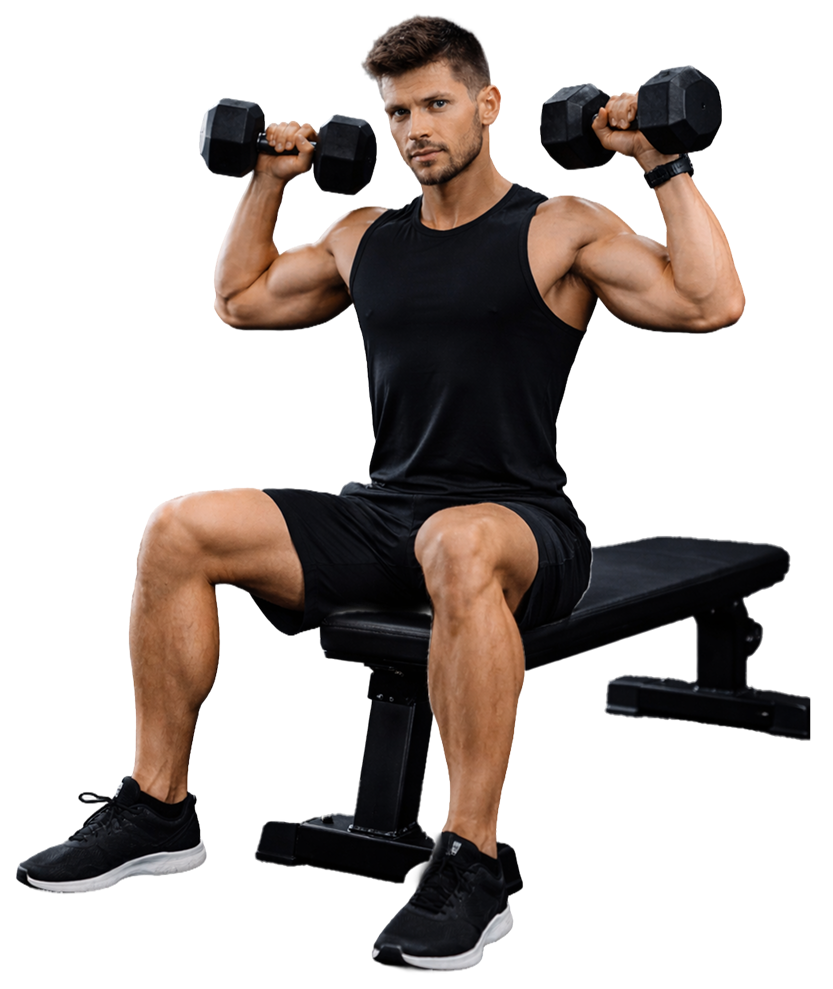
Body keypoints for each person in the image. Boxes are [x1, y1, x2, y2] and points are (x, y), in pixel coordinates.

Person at [16, 14, 744, 974]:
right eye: (398, 112)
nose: (415, 129)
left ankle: (472, 862)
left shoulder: (559, 225)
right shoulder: (364, 235)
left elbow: (710, 301)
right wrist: (267, 180)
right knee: (178, 525)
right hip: (384, 515)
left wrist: (662, 165)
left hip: (519, 523)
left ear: (487, 105)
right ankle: (159, 807)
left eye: (436, 103)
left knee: (458, 541)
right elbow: (241, 300)